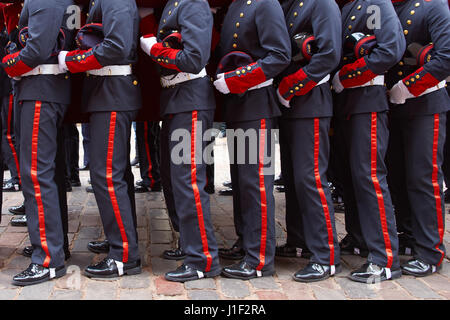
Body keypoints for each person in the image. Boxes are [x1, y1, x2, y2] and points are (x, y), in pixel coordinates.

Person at [59, 0, 142, 278]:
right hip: (106, 92)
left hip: (112, 93)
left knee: (107, 175)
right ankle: (120, 238)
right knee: (114, 174)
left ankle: (124, 256)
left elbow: (117, 46)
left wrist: (72, 61)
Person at [140, 0, 221, 282]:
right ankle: (191, 246)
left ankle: (203, 260)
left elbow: (194, 57)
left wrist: (154, 49)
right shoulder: (175, 5)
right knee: (176, 182)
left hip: (190, 98)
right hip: (176, 99)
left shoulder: (193, 4)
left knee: (188, 183)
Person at [214, 0, 291, 280]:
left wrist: (237, 80)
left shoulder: (266, 4)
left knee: (255, 184)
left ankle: (259, 259)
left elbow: (279, 55)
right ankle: (246, 241)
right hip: (238, 104)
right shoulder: (236, 5)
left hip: (256, 102)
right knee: (242, 182)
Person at [331, 0, 406, 283]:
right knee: (351, 177)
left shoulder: (375, 4)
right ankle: (360, 237)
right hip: (348, 103)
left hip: (367, 99)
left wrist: (347, 76)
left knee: (370, 177)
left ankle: (385, 259)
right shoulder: (350, 6)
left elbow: (389, 49)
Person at [2, 0, 74, 286]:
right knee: (46, 176)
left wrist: (8, 62)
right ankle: (53, 247)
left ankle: (48, 260)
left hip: (40, 89)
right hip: (40, 89)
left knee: (37, 177)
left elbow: (37, 50)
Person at [275, 0, 342, 282]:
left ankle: (325, 257)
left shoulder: (321, 3)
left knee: (311, 178)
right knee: (292, 178)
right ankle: (299, 239)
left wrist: (291, 87)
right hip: (291, 104)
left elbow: (328, 55)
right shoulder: (289, 5)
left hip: (310, 100)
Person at [386, 0, 450, 277]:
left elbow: (446, 56)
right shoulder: (391, 8)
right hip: (393, 103)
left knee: (423, 178)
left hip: (425, 102)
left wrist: (408, 87)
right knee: (398, 175)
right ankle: (409, 235)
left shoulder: (434, 6)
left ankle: (430, 251)